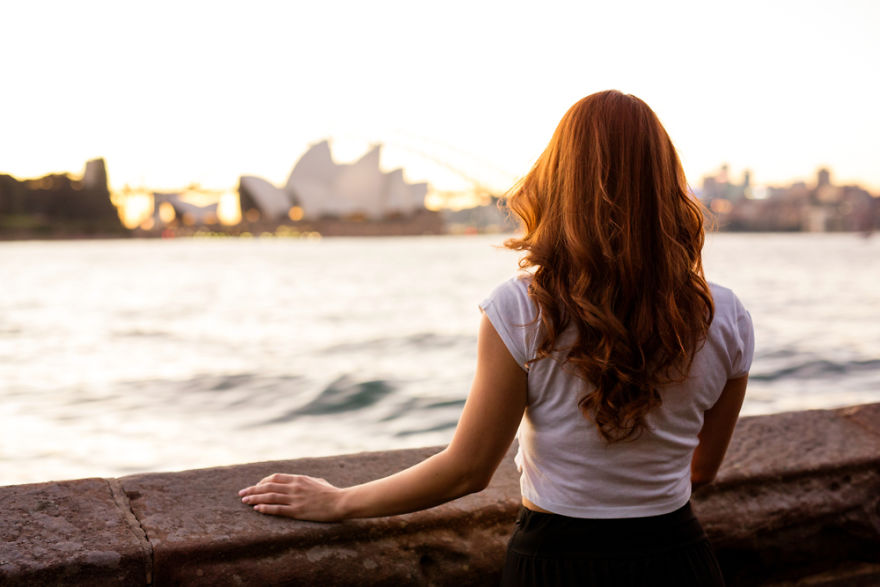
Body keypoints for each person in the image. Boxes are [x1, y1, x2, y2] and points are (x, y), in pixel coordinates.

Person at [239, 90, 754, 586]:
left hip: (555, 563)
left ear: (559, 180)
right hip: (677, 559)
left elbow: (468, 470)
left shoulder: (522, 306)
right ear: (667, 184)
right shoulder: (726, 314)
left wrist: (339, 501)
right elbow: (702, 470)